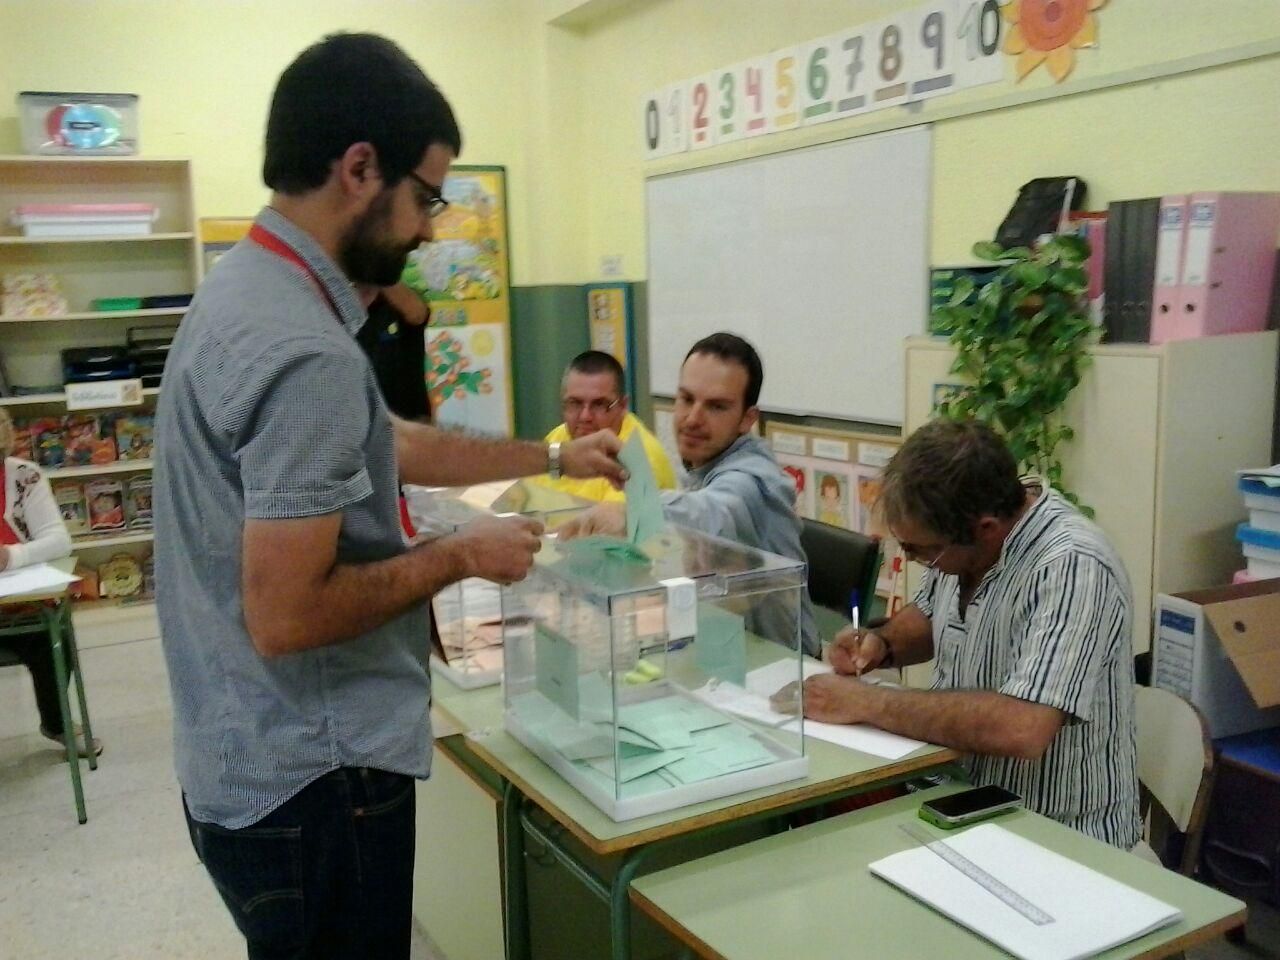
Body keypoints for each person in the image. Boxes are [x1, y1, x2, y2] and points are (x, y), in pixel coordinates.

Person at [153, 34, 623, 960]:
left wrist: (554, 455)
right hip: (316, 783)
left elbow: (383, 440)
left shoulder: (248, 293)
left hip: (240, 758)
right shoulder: (308, 353)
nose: (429, 228)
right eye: (427, 197)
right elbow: (286, 615)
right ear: (360, 168)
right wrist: (460, 554)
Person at [803, 418, 1140, 849]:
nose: (909, 560)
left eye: (918, 550)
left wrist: (868, 701)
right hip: (956, 804)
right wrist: (882, 644)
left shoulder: (1074, 567)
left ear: (986, 529)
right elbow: (929, 617)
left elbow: (1023, 728)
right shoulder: (964, 547)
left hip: (1053, 834)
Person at [561, 333, 818, 655]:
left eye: (716, 406)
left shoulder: (752, 480)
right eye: (686, 399)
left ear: (747, 419)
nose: (693, 419)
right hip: (722, 646)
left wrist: (633, 512)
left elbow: (712, 511)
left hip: (781, 667)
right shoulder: (701, 465)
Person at [0, 408, 101, 758]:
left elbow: (59, 541)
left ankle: (55, 723)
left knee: (53, 642)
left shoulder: (24, 476)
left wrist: (10, 557)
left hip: (23, 605)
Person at [539, 349, 677, 502]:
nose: (585, 416)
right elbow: (531, 500)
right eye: (575, 403)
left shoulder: (640, 457)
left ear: (623, 406)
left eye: (599, 404)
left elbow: (608, 522)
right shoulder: (557, 437)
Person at [355, 281, 432, 422]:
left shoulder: (399, 304)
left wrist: (377, 271)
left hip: (410, 423)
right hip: (359, 423)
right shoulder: (339, 310)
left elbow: (417, 314)